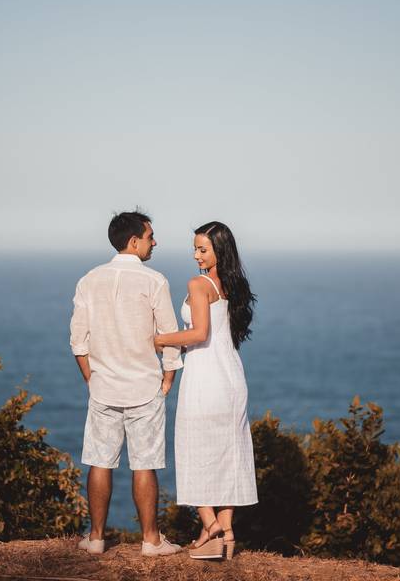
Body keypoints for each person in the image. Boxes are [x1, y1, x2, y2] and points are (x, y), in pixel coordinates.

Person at [69, 210, 183, 557]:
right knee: (144, 464)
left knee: (99, 461)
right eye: (150, 236)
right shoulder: (155, 281)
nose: (155, 242)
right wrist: (168, 379)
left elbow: (78, 340)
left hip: (104, 387)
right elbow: (169, 336)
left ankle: (97, 537)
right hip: (145, 387)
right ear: (134, 242)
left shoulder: (89, 280)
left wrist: (92, 378)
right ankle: (150, 540)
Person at [153, 221, 258, 560]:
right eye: (195, 248)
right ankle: (223, 532)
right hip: (232, 379)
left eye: (203, 249)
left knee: (193, 451)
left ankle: (210, 522)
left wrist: (159, 339)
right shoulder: (234, 284)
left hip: (205, 379)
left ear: (218, 251)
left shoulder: (199, 284)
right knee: (228, 455)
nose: (196, 255)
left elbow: (198, 333)